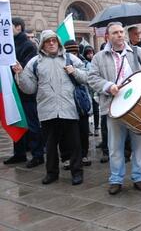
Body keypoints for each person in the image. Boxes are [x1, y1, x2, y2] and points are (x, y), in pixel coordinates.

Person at [88, 22, 141, 195]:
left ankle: (138, 177)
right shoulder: (99, 57)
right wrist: (108, 86)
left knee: (139, 144)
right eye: (115, 33)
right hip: (113, 108)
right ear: (107, 37)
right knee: (115, 146)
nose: (119, 35)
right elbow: (92, 78)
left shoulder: (138, 52)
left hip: (137, 106)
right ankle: (116, 179)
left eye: (121, 32)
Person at [13, 30, 87, 186]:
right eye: (48, 41)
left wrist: (76, 72)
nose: (51, 43)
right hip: (47, 111)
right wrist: (19, 74)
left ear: (58, 42)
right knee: (51, 145)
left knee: (74, 144)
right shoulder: (35, 62)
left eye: (54, 40)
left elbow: (88, 76)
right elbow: (29, 89)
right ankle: (52, 173)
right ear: (42, 45)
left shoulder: (70, 58)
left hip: (69, 108)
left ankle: (77, 172)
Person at [4, 17, 44, 168]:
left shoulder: (28, 45)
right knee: (17, 122)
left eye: (10, 27)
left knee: (32, 124)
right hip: (12, 92)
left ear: (18, 27)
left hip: (26, 93)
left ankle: (38, 155)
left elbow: (29, 69)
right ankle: (19, 153)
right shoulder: (8, 45)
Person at [63, 40, 92, 167]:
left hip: (80, 101)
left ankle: (84, 154)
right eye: (70, 52)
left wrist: (74, 71)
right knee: (65, 132)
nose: (73, 55)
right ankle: (67, 157)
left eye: (75, 51)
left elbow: (87, 78)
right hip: (65, 102)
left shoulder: (82, 62)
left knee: (83, 130)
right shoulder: (61, 61)